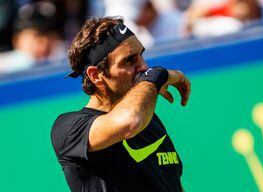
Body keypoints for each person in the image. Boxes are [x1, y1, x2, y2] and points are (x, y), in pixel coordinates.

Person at [50, 16, 191, 192]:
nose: (144, 67)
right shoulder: (69, 128)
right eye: (129, 61)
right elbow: (129, 121)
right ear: (95, 75)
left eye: (141, 55)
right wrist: (156, 77)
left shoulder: (149, 119)